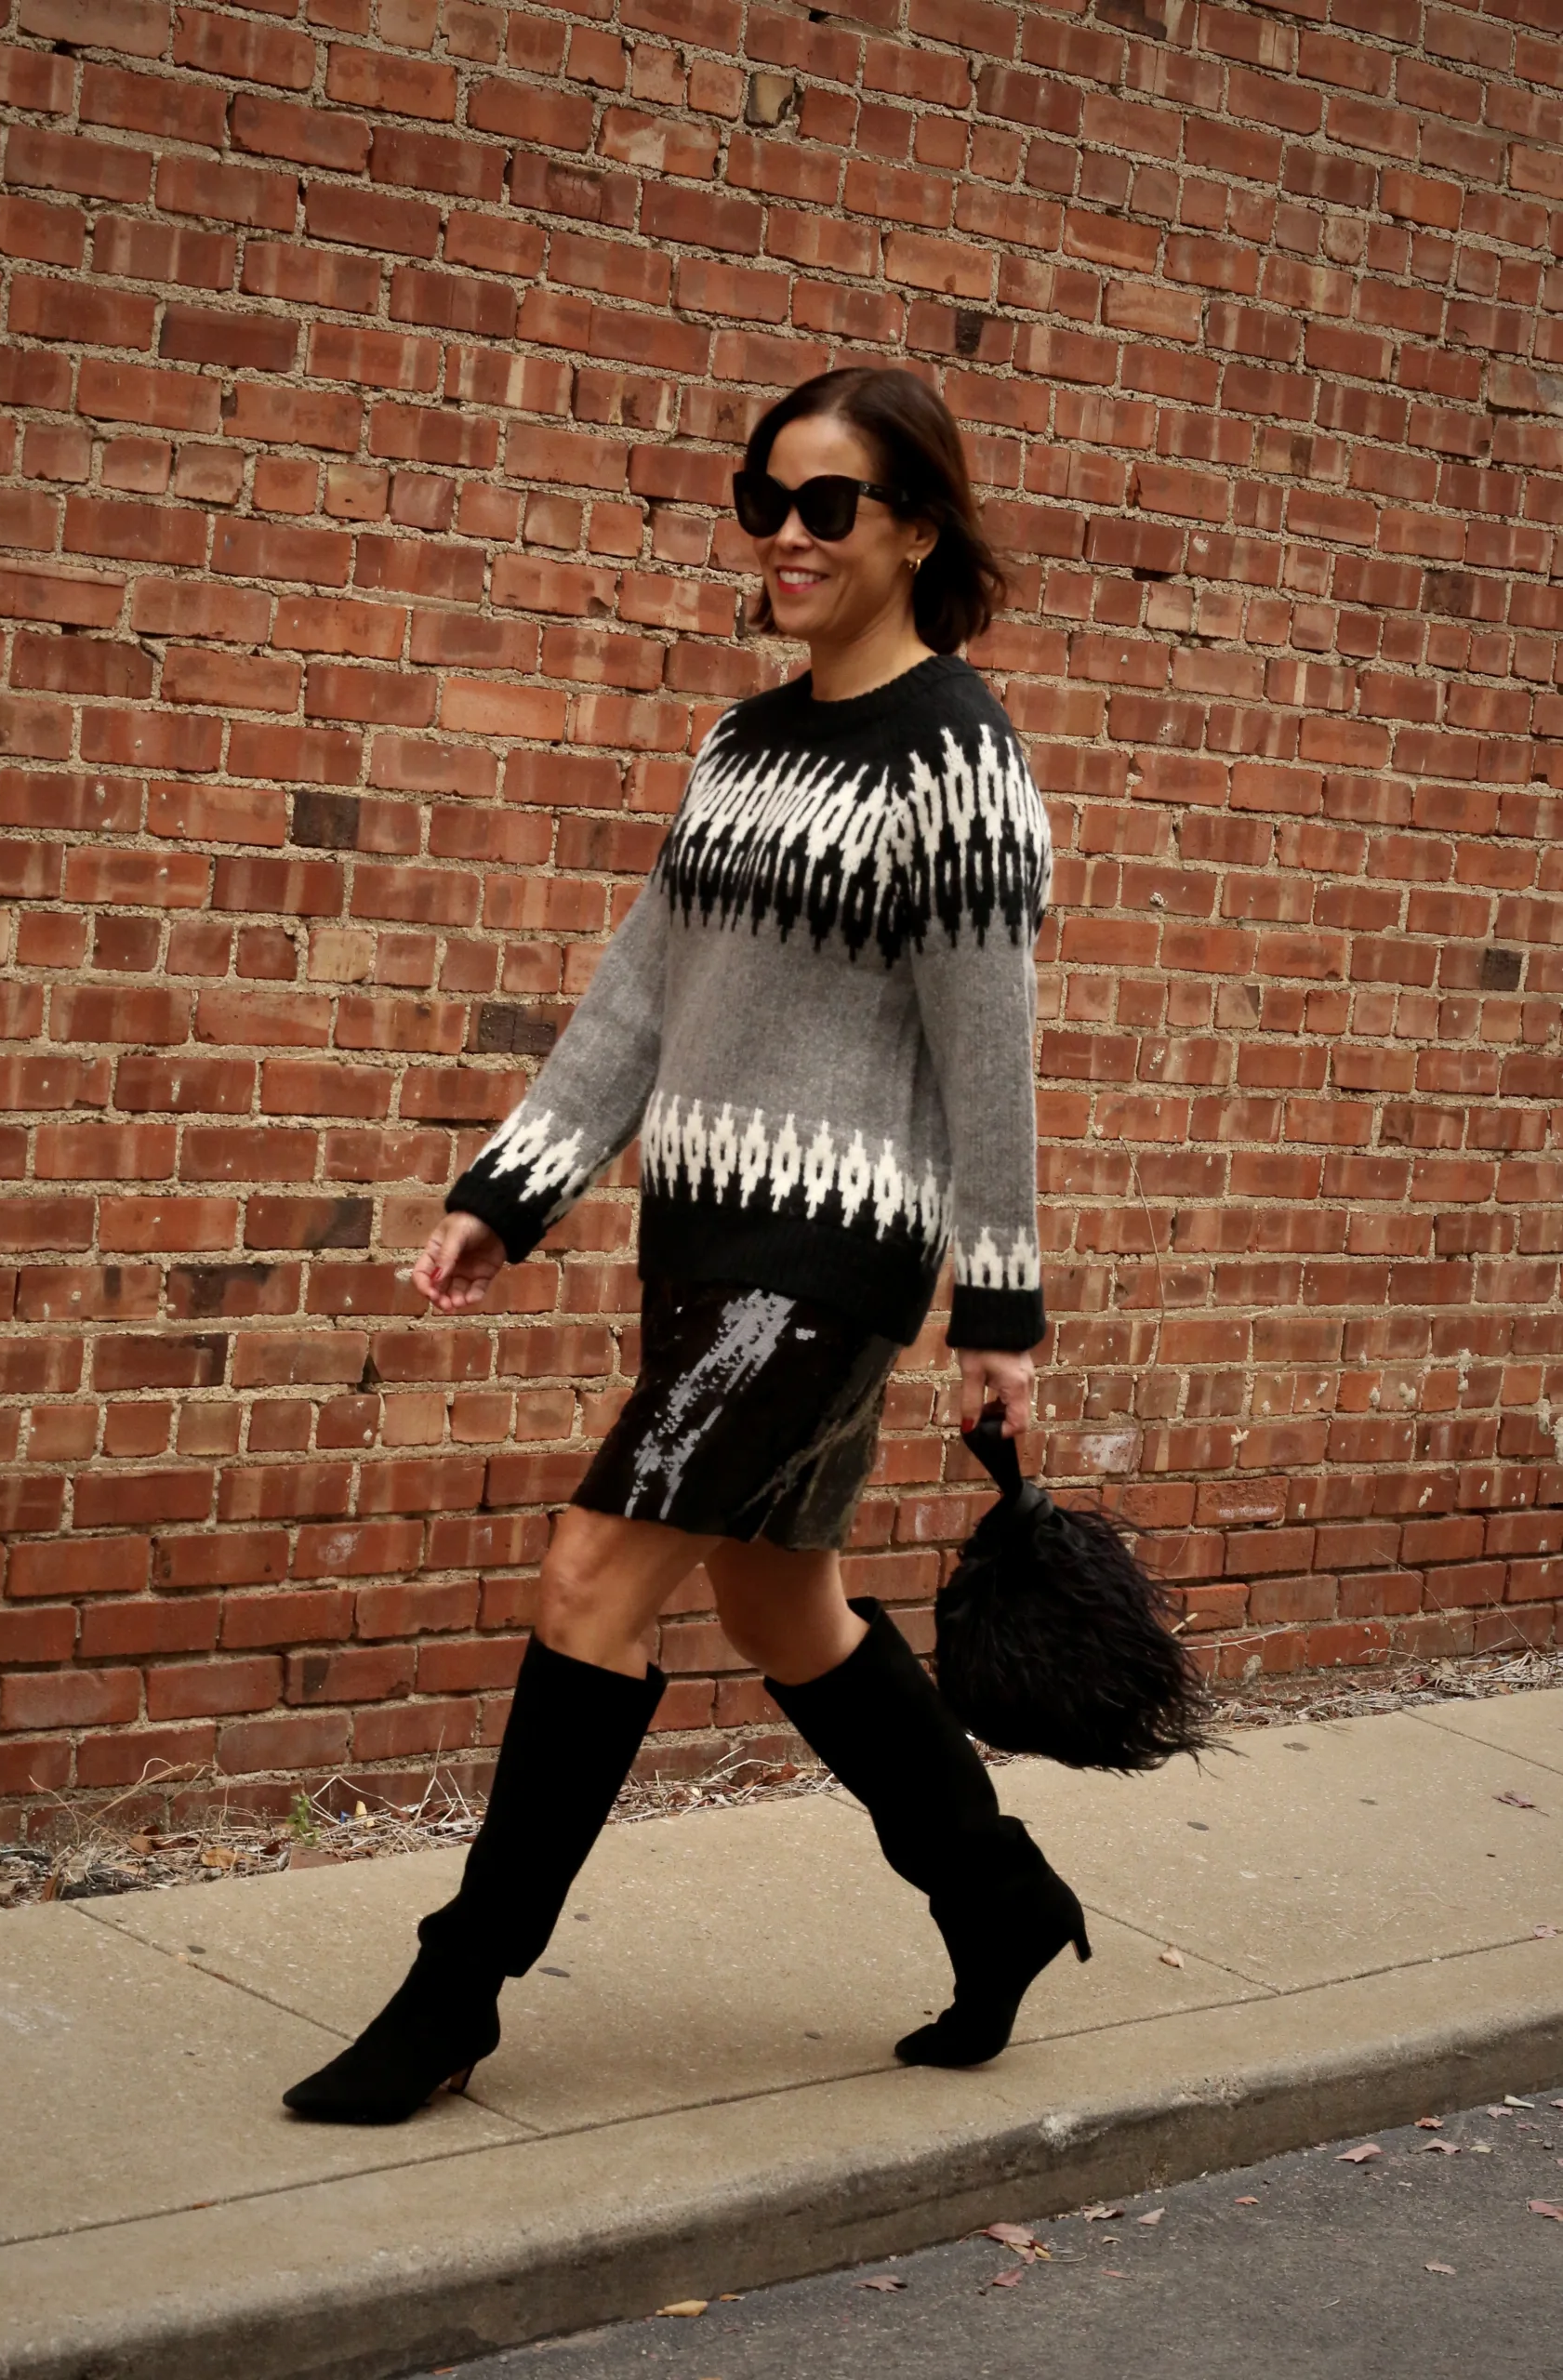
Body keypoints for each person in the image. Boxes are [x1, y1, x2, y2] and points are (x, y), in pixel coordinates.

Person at [284, 364, 1088, 2128]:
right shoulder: (741, 742)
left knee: (592, 1577)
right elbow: (642, 993)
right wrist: (514, 1187)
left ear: (914, 531)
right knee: (776, 1601)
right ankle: (1000, 1898)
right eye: (764, 499)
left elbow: (992, 1053)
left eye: (828, 507)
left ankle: (454, 1991)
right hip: (700, 1249)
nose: (786, 537)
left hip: (833, 1264)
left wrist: (1000, 1307)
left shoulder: (959, 754)